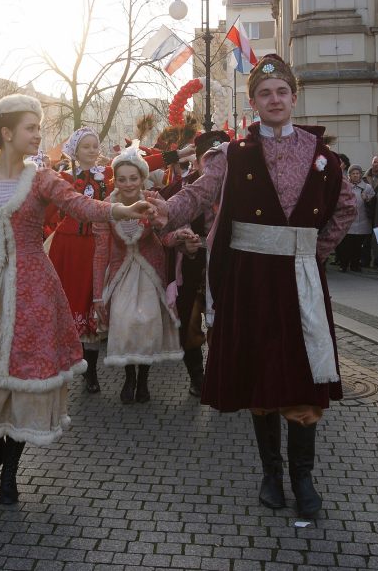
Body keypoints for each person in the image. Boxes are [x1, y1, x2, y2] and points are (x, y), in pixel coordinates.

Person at [147, 54, 355, 519]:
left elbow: (347, 207)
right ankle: (270, 473)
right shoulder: (233, 154)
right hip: (252, 279)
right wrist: (165, 211)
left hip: (300, 279)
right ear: (255, 103)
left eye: (282, 91)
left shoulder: (322, 157)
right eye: (265, 93)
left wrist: (317, 252)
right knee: (262, 373)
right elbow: (199, 192)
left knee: (302, 376)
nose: (274, 99)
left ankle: (303, 477)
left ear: (294, 97)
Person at [0, 94, 152, 505]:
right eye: (31, 128)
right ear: (6, 133)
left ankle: (12, 470)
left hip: (34, 287)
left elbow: (81, 206)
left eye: (38, 127)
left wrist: (121, 211)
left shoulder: (42, 180)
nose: (38, 135)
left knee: (26, 375)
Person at [44, 126, 189, 393]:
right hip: (72, 245)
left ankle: (121, 370)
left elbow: (140, 164)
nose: (91, 151)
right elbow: (46, 208)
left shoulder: (110, 173)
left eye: (94, 146)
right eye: (85, 147)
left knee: (101, 303)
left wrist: (177, 154)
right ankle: (88, 372)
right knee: (79, 303)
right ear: (74, 151)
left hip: (104, 242)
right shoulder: (62, 177)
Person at [92, 143, 184, 404]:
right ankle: (129, 376)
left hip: (149, 272)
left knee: (147, 323)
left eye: (133, 178)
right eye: (122, 179)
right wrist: (98, 295)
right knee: (123, 321)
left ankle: (143, 379)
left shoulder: (155, 201)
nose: (128, 183)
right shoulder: (105, 208)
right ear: (115, 180)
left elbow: (166, 237)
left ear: (142, 178)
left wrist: (179, 237)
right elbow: (99, 253)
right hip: (121, 272)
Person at [159, 129, 230, 396]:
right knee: (189, 322)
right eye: (207, 160)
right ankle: (196, 376)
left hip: (226, 264)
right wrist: (178, 239)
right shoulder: (180, 188)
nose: (214, 167)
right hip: (189, 265)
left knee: (223, 323)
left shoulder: (239, 189)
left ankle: (221, 372)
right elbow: (160, 230)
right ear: (199, 160)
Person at [337, 165, 374, 272]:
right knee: (346, 245)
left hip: (362, 220)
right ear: (349, 175)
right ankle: (344, 264)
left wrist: (367, 199)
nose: (355, 175)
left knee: (358, 246)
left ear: (360, 175)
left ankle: (355, 265)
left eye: (357, 173)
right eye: (353, 173)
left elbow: (373, 202)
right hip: (348, 221)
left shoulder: (367, 187)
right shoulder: (345, 187)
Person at [360, 155, 378, 268]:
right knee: (366, 237)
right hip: (366, 211)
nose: (376, 164)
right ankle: (365, 260)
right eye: (375, 162)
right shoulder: (365, 177)